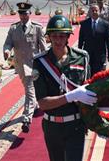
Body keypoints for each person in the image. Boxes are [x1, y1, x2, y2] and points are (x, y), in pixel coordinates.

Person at [33, 15, 97, 161]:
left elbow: (88, 92)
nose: (58, 40)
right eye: (54, 36)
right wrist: (70, 96)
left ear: (68, 36)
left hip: (75, 125)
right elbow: (42, 103)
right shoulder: (40, 62)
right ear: (48, 37)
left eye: (62, 36)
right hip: (52, 126)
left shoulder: (82, 57)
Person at [3, 2, 46, 133]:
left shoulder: (37, 28)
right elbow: (8, 43)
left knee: (29, 90)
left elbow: (43, 48)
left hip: (34, 65)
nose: (23, 16)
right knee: (30, 89)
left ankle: (26, 119)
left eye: (25, 13)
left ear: (29, 14)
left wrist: (47, 64)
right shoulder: (13, 29)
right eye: (21, 14)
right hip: (20, 65)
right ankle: (37, 103)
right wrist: (6, 51)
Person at [78, 4, 109, 76]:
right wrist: (79, 54)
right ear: (90, 12)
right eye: (92, 11)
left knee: (99, 77)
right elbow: (81, 40)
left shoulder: (105, 24)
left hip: (100, 56)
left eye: (96, 11)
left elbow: (108, 41)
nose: (94, 12)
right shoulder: (84, 24)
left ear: (99, 12)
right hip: (88, 55)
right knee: (88, 75)